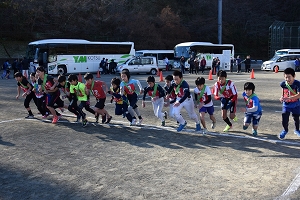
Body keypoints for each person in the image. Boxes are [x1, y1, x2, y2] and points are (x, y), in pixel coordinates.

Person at [278, 67, 300, 140]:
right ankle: (285, 130)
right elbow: (283, 90)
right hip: (286, 104)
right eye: (286, 77)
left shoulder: (297, 84)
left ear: (294, 76)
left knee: (296, 118)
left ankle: (297, 130)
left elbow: (299, 95)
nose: (287, 79)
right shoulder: (283, 84)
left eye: (289, 77)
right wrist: (281, 97)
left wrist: (290, 98)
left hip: (296, 104)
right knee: (284, 118)